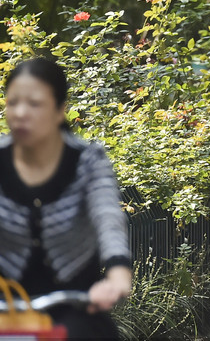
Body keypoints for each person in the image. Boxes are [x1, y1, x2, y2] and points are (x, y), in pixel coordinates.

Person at [0, 58, 132, 339]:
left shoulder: (87, 161)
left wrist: (118, 273)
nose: (21, 113)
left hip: (76, 307)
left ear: (60, 110)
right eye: (12, 103)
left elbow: (107, 217)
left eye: (34, 104)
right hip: (7, 308)